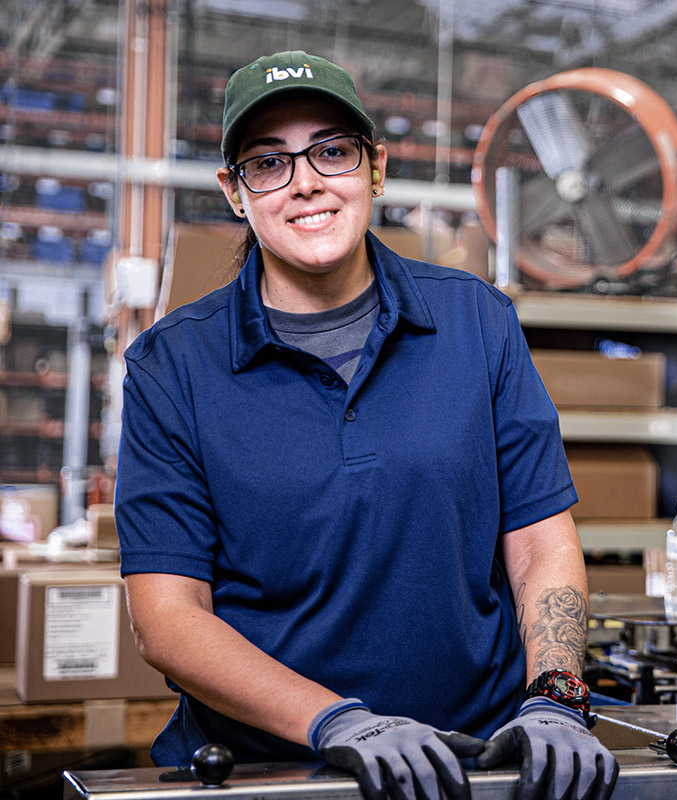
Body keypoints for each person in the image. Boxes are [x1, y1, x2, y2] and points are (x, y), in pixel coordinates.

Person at [115, 50, 618, 800]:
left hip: (474, 765)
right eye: (268, 163)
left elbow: (543, 541)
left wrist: (556, 695)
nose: (307, 182)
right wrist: (336, 721)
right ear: (234, 193)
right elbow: (168, 618)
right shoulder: (173, 366)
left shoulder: (476, 321)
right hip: (273, 774)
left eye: (332, 151)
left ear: (374, 169)